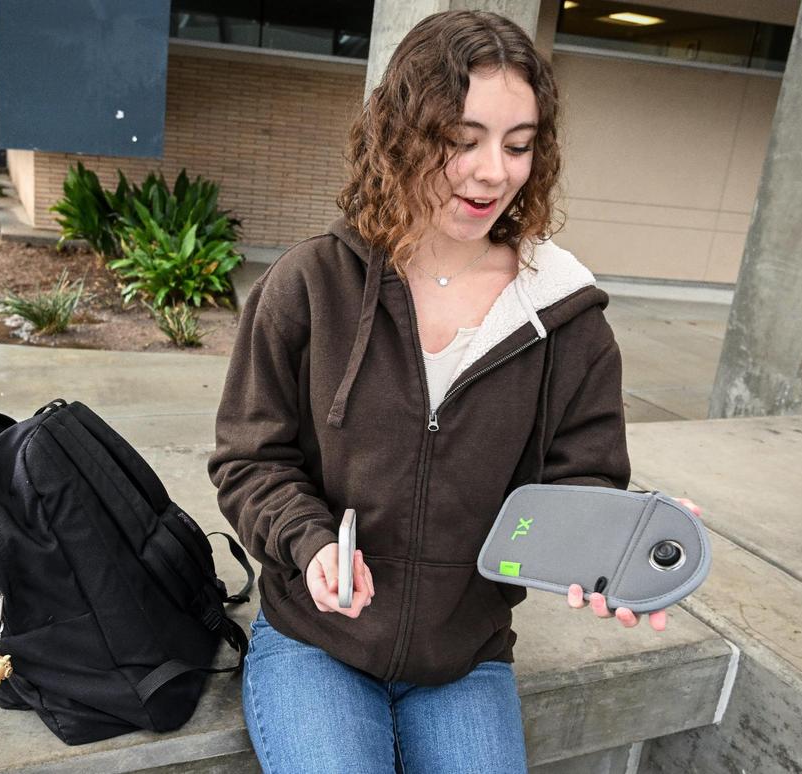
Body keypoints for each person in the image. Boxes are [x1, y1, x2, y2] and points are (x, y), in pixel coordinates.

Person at [208, 10, 697, 772]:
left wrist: (612, 540)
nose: (492, 171)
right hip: (316, 640)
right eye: (461, 139)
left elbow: (583, 481)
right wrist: (308, 547)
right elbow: (250, 459)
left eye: (518, 145)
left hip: (465, 655)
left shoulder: (568, 319)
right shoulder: (309, 286)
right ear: (400, 132)